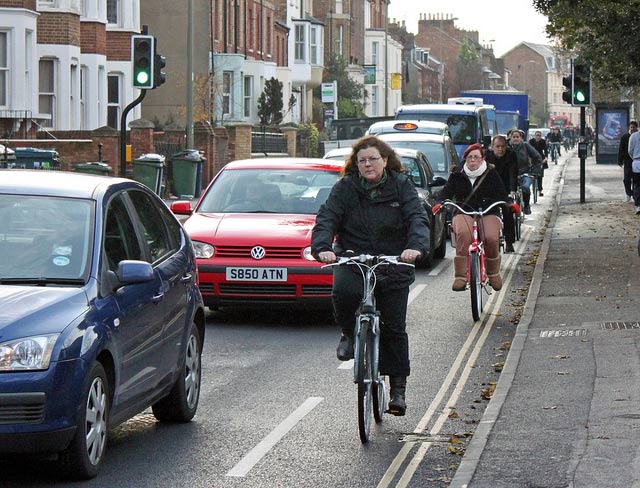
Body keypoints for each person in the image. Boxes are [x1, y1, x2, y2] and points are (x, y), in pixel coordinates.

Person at [311, 135, 429, 416]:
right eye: (362, 160)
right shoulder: (346, 187)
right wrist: (323, 247)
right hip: (355, 256)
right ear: (356, 164)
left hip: (393, 259)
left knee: (395, 328)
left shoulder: (401, 186)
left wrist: (415, 247)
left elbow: (417, 217)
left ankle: (398, 391)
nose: (368, 164)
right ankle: (349, 334)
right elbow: (327, 217)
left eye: (373, 159)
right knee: (343, 291)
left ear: (385, 161)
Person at [434, 143, 508, 292]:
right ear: (465, 159)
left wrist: (509, 204)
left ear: (482, 159)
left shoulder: (491, 173)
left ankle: (493, 274)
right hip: (464, 211)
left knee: (491, 238)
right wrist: (440, 202)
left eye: (476, 157)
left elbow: (502, 193)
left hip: (488, 211)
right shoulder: (457, 174)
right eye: (469, 157)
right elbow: (446, 192)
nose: (473, 160)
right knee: (463, 234)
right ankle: (461, 277)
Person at [484, 135, 518, 253]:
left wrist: (512, 191)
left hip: (505, 189)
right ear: (492, 147)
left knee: (508, 212)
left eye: (503, 146)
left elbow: (513, 173)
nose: (500, 149)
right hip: (489, 190)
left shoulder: (511, 155)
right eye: (497, 147)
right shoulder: (486, 156)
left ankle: (509, 242)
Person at [508, 129, 542, 215]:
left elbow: (537, 157)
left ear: (521, 138)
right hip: (511, 174)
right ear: (510, 138)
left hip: (525, 172)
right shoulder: (507, 147)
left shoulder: (526, 146)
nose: (515, 139)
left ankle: (526, 205)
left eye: (517, 137)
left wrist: (535, 170)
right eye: (514, 137)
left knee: (526, 187)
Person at [618, 120, 637, 203]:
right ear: (629, 127)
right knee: (627, 179)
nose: (632, 129)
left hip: (635, 160)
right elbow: (621, 149)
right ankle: (629, 193)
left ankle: (635, 195)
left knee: (636, 179)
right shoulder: (625, 137)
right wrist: (620, 160)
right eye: (631, 127)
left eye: (634, 127)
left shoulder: (637, 137)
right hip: (627, 160)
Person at [528, 130, 549, 197]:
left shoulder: (543, 141)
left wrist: (545, 158)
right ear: (535, 136)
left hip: (540, 158)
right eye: (537, 135)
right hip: (532, 158)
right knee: (530, 176)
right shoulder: (531, 141)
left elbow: (545, 150)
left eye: (539, 135)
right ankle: (530, 190)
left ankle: (540, 190)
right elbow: (528, 151)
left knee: (540, 176)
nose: (538, 137)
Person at [627, 126, 640, 214]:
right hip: (637, 162)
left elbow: (630, 151)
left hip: (637, 162)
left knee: (637, 184)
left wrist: (634, 158)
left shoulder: (633, 136)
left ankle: (638, 205)